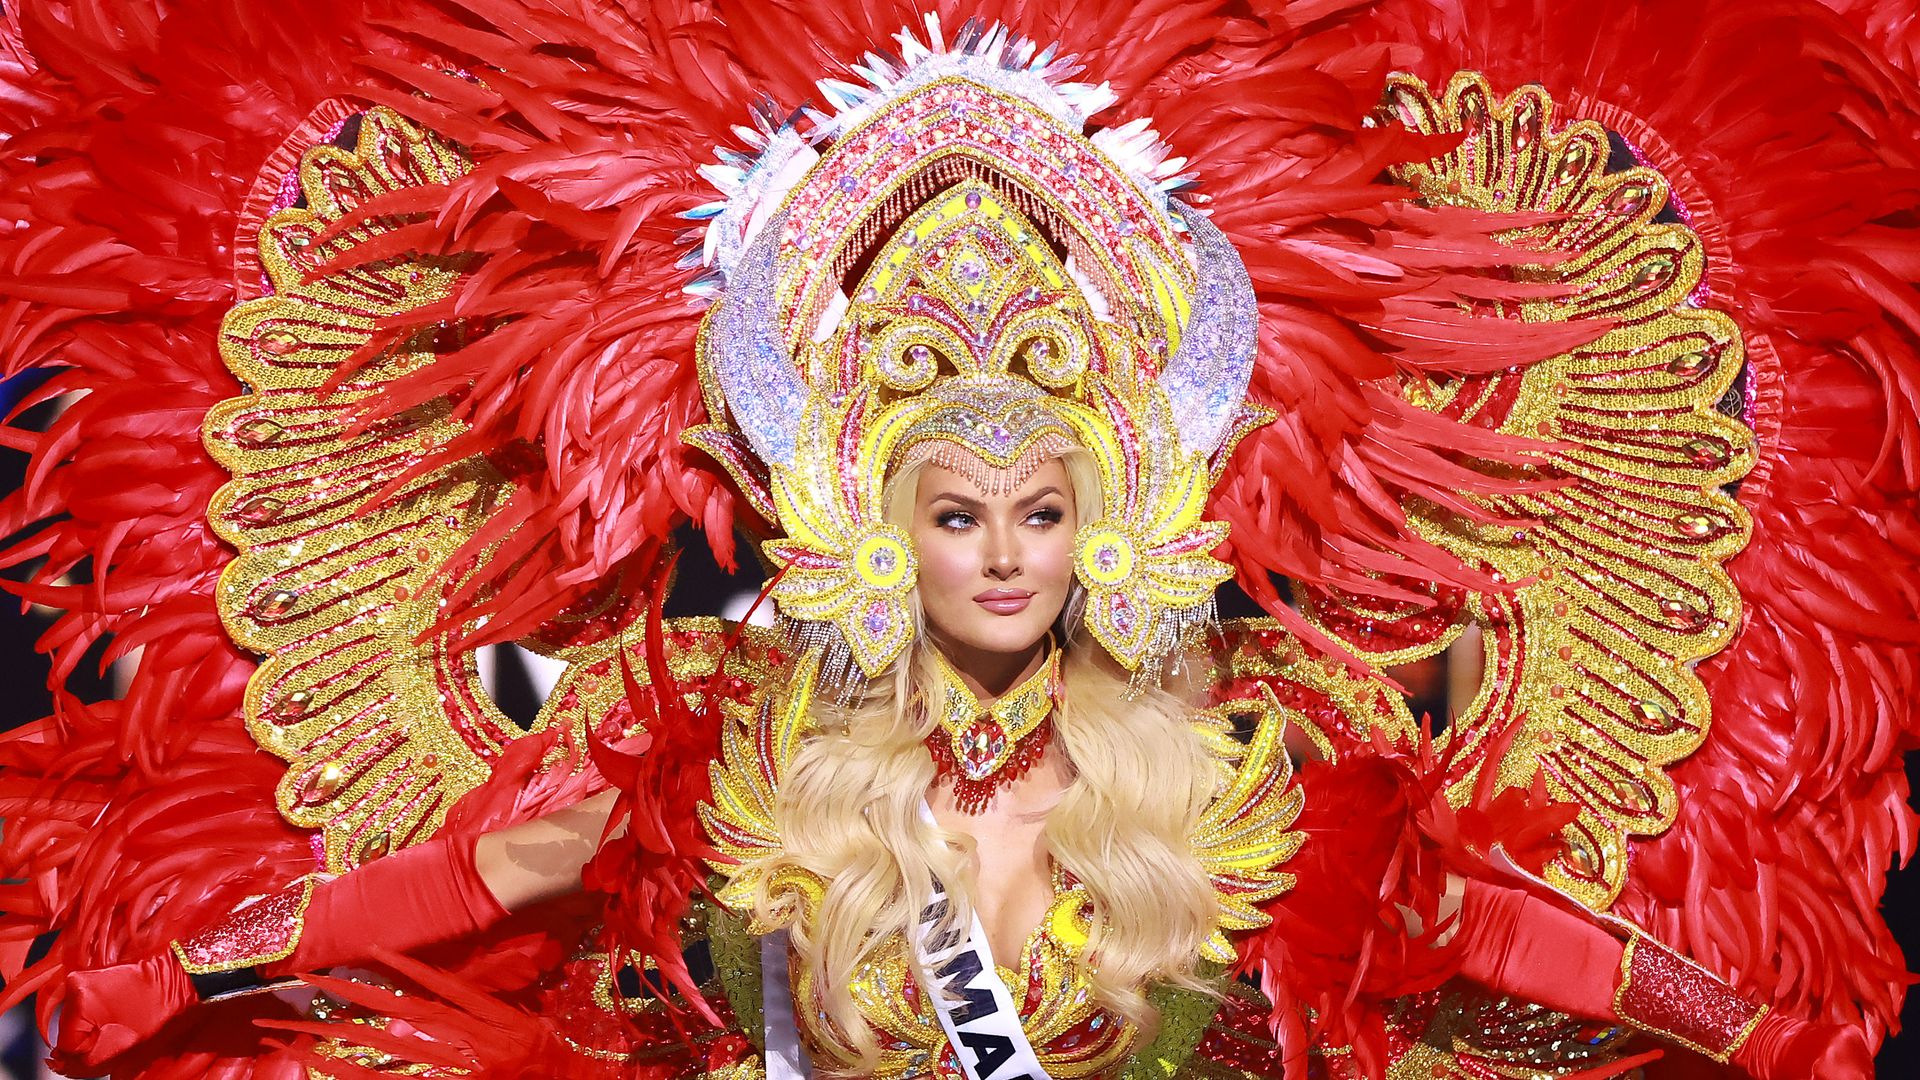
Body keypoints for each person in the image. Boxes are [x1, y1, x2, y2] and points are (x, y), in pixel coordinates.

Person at [2, 3, 1913, 1079]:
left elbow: (1484, 931)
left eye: (1042, 511)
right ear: (872, 518)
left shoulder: (1247, 739)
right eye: (958, 513)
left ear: (1112, 514)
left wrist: (1755, 1030)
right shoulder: (727, 733)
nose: (1004, 555)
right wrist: (167, 976)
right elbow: (475, 880)